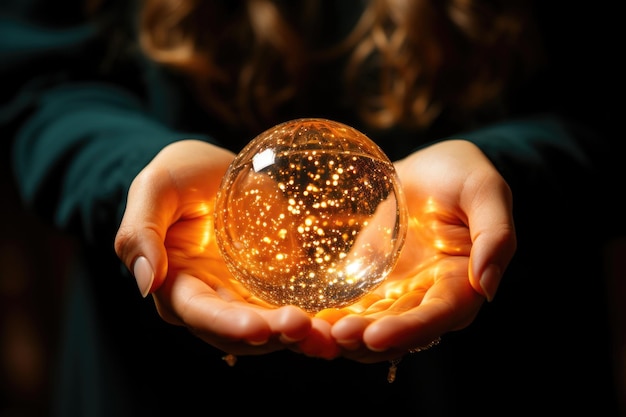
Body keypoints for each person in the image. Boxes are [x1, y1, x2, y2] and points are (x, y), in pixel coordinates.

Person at [0, 0, 622, 415]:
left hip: (492, 373)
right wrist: (138, 169)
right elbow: (34, 75)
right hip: (160, 381)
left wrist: (503, 175)